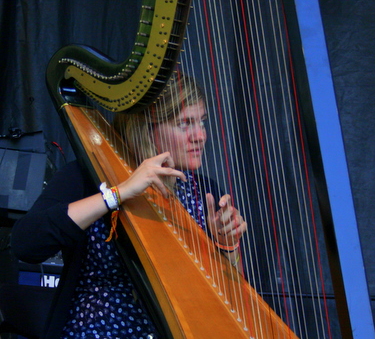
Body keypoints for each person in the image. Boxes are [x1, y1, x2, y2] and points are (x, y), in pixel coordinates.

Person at [10, 75, 248, 339]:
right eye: (185, 124)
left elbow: (227, 295)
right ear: (148, 128)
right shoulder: (87, 177)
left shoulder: (203, 191)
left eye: (202, 121)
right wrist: (118, 193)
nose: (200, 136)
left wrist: (227, 245)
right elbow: (26, 243)